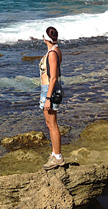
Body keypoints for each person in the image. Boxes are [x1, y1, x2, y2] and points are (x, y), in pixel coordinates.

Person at [39, 26, 65, 169]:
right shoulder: (54, 51)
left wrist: (48, 98)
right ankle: (55, 153)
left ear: (45, 38)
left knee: (52, 125)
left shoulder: (53, 54)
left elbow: (54, 77)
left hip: (48, 90)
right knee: (50, 125)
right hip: (47, 90)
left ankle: (58, 157)